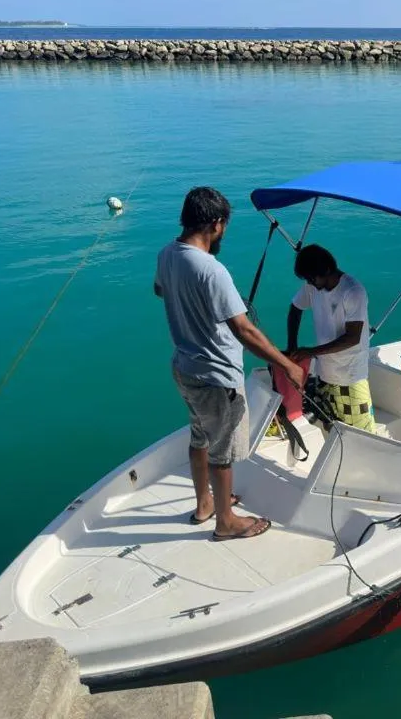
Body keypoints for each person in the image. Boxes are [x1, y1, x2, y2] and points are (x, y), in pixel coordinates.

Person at [155, 186, 304, 541]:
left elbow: (162, 291)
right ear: (216, 225)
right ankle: (226, 521)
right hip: (217, 377)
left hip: (185, 369)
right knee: (222, 452)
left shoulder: (166, 254)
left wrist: (199, 302)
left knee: (199, 438)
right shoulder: (212, 270)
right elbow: (245, 331)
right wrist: (287, 365)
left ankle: (204, 503)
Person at [286, 244, 376, 432]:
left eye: (312, 278)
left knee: (361, 431)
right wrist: (292, 346)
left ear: (327, 270)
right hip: (324, 373)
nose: (309, 283)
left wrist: (310, 352)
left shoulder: (353, 291)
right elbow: (295, 309)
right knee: (330, 425)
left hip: (350, 375)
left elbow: (352, 338)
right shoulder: (313, 287)